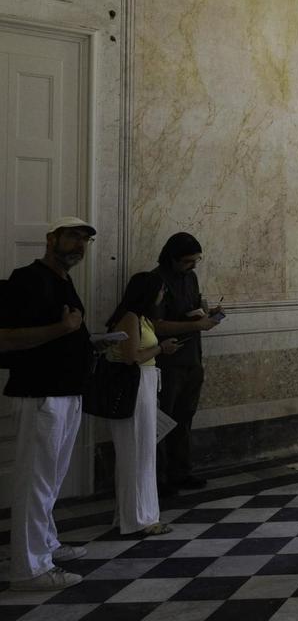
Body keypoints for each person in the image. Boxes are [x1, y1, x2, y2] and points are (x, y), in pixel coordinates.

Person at [0, 218, 96, 590]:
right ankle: (29, 569)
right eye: (72, 236)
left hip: (65, 392)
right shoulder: (26, 279)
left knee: (51, 480)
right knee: (35, 483)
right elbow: (6, 339)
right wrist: (64, 330)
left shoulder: (63, 281)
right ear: (50, 238)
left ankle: (45, 544)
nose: (79, 245)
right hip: (40, 394)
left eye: (85, 240)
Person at [105, 272, 180, 536]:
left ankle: (140, 515)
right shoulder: (130, 318)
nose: (163, 296)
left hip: (145, 387)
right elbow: (132, 358)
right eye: (160, 291)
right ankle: (138, 519)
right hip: (134, 390)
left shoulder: (143, 318)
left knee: (143, 454)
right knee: (135, 454)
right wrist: (161, 349)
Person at [152, 233, 221, 494]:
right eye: (187, 261)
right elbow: (154, 324)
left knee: (184, 418)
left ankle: (181, 472)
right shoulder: (155, 281)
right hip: (168, 362)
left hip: (192, 357)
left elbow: (193, 307)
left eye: (196, 261)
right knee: (163, 420)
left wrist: (206, 313)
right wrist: (194, 324)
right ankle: (158, 478)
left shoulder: (190, 278)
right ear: (172, 258)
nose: (192, 266)